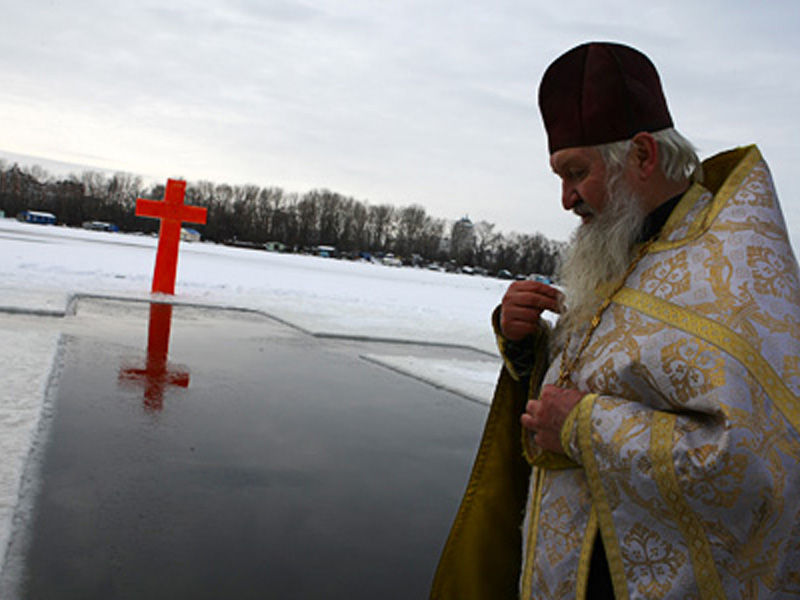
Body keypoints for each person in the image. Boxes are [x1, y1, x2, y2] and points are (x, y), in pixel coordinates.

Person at [430, 41, 800, 599]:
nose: (565, 198)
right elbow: (592, 385)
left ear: (643, 155)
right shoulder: (622, 247)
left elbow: (756, 463)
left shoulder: (736, 268)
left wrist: (583, 427)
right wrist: (529, 346)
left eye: (576, 172)